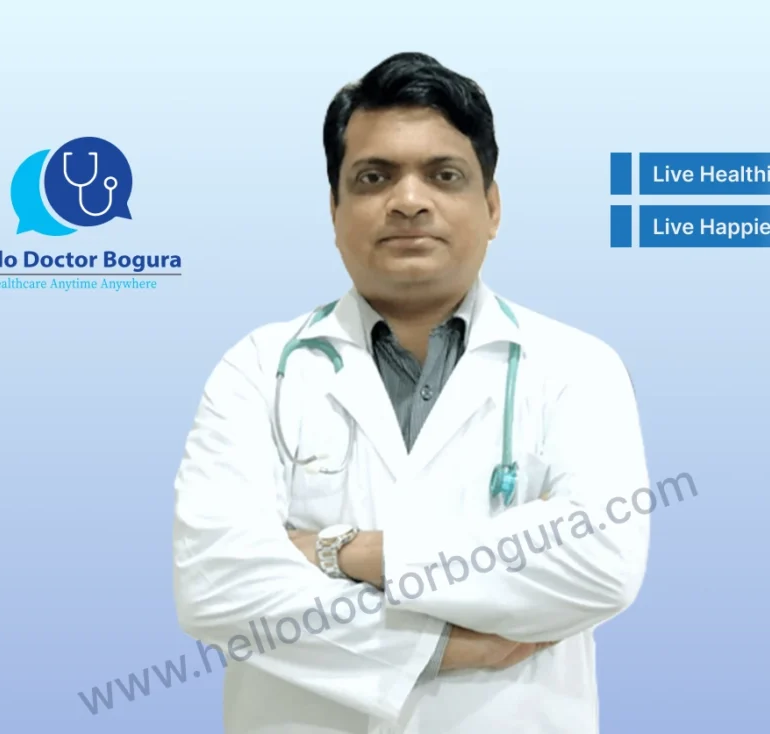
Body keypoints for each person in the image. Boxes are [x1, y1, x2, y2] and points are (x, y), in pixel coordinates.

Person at [173, 51, 651, 734]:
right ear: (334, 210)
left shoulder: (577, 366)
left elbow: (599, 564)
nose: (408, 200)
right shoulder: (258, 369)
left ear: (492, 207)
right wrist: (441, 647)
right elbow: (216, 587)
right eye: (374, 177)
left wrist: (345, 552)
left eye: (444, 175)